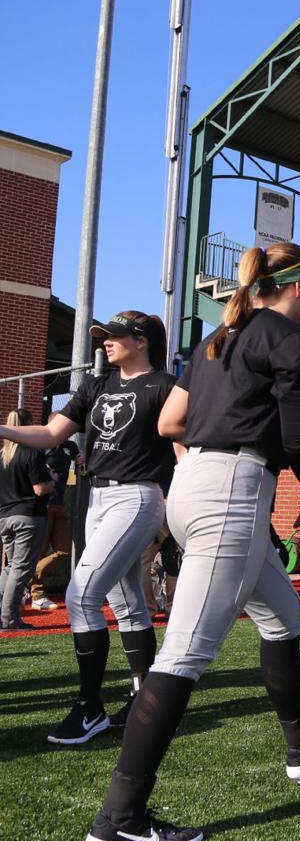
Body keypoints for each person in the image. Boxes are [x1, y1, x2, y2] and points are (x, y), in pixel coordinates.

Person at [82, 243, 300, 841]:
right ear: (298, 287)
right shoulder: (291, 338)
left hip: (197, 489)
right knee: (183, 655)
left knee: (284, 616)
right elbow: (295, 434)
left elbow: (171, 424)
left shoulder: (217, 338)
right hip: (231, 495)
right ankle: (118, 820)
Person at [1, 312, 177, 743]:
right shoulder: (96, 385)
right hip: (97, 498)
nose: (104, 344)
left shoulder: (166, 386)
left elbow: (181, 445)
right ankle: (143, 699)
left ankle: (89, 707)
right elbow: (49, 433)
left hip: (137, 496)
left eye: (114, 337)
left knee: (82, 595)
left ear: (141, 341)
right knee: (126, 600)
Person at [0, 409, 53, 631]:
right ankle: (8, 619)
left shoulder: (3, 454)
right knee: (20, 569)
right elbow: (40, 489)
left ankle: (4, 615)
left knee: (10, 567)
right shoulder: (32, 452)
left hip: (5, 516)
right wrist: (53, 480)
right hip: (28, 515)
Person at [27, 438, 80, 609]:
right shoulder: (40, 446)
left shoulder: (69, 446)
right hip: (43, 504)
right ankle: (37, 595)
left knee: (64, 550)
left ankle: (28, 576)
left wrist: (80, 459)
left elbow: (78, 458)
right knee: (40, 551)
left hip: (60, 504)